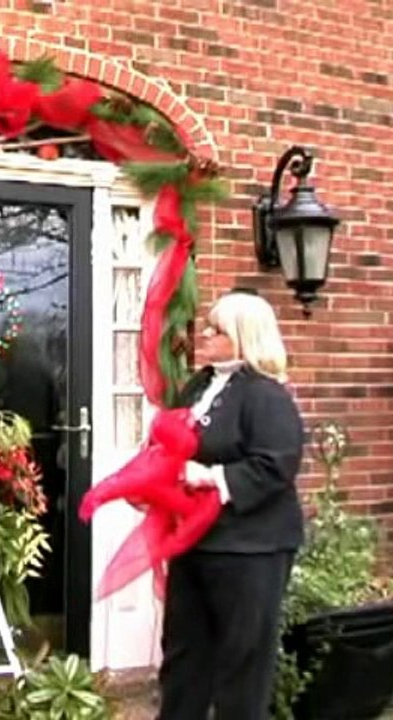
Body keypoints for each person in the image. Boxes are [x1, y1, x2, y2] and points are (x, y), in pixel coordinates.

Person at [157, 289, 306, 720]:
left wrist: (210, 477)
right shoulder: (199, 385)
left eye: (215, 329)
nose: (202, 334)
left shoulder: (265, 395)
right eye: (207, 326)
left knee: (242, 663)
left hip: (251, 548)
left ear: (243, 338)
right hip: (195, 541)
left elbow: (276, 464)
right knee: (184, 654)